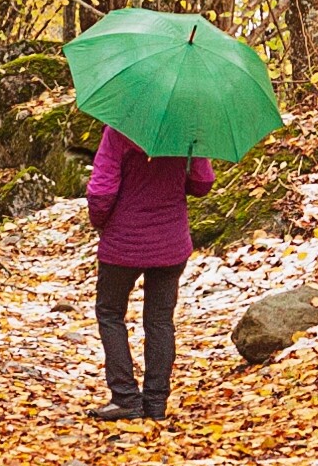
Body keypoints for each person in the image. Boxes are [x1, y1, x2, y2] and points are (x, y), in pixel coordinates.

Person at [83, 123, 220, 420]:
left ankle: (125, 397)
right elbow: (203, 183)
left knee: (110, 313)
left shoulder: (119, 130)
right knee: (160, 321)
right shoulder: (186, 130)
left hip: (123, 244)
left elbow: (102, 193)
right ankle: (156, 403)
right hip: (170, 244)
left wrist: (101, 223)